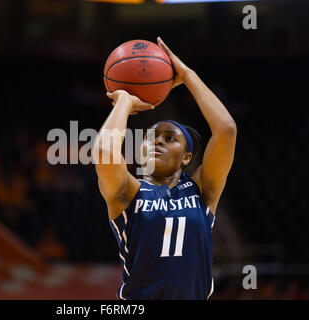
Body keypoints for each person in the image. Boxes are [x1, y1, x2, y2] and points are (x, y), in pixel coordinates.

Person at [93, 37, 237, 300]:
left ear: (186, 158)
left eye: (169, 138)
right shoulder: (129, 193)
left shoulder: (202, 190)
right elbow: (104, 151)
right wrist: (124, 101)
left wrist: (188, 75)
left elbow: (226, 130)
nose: (157, 140)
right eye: (150, 137)